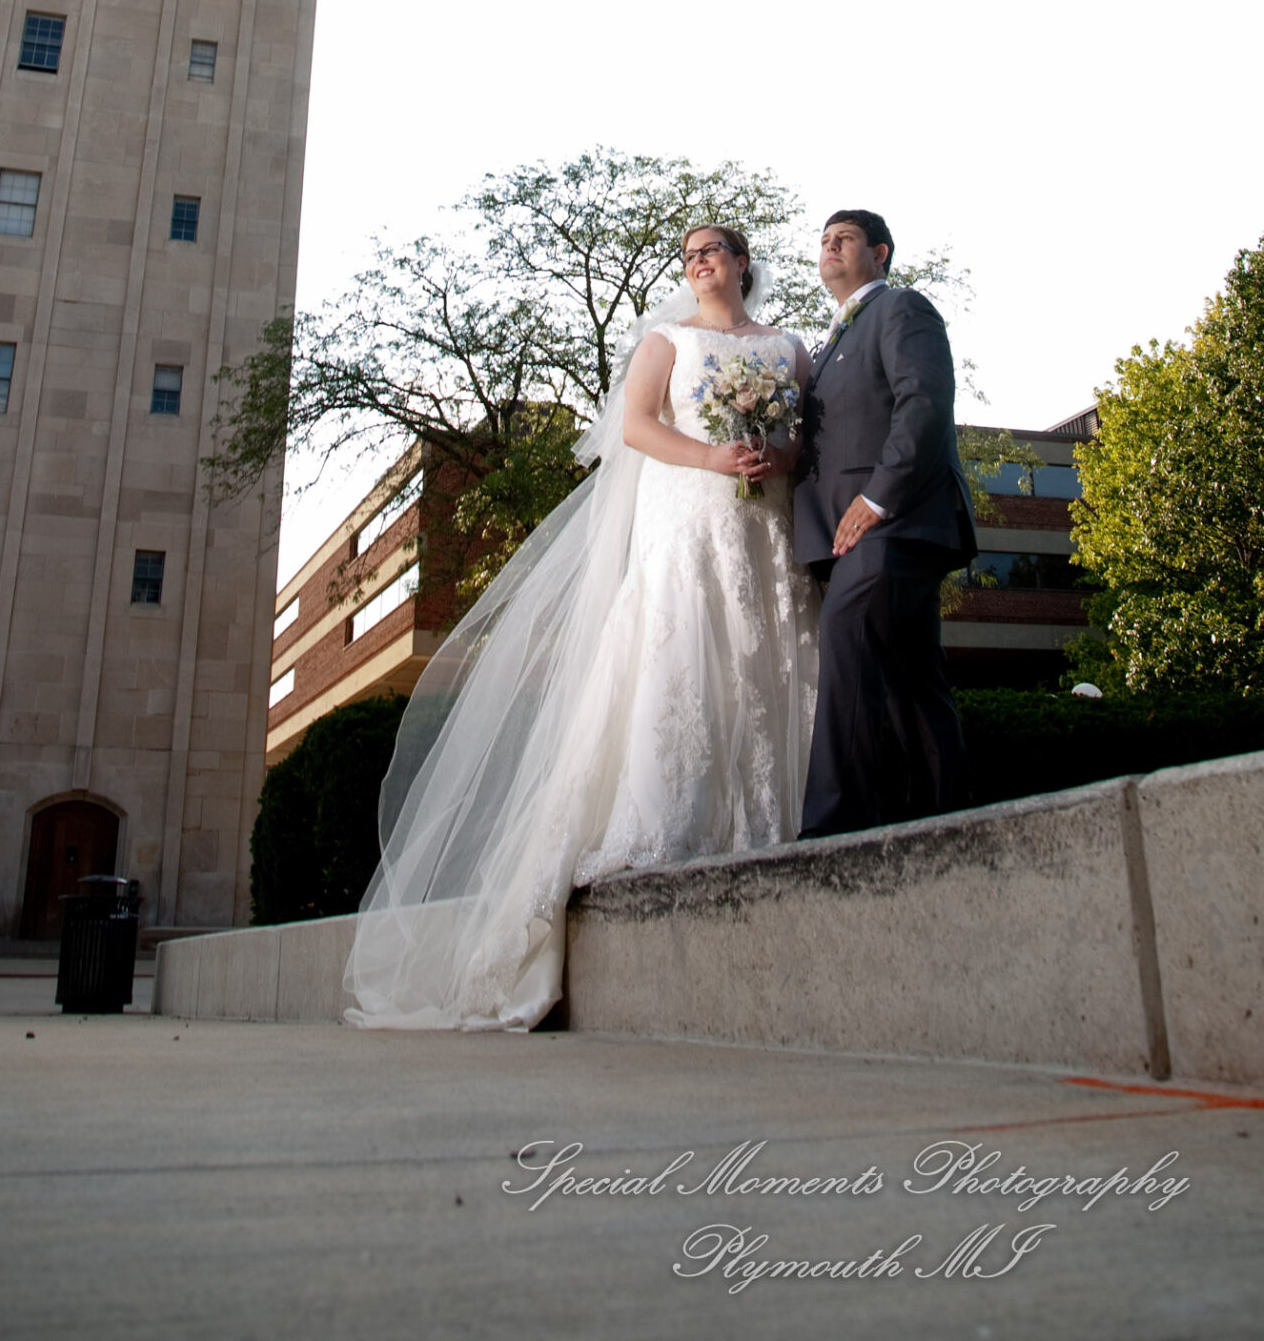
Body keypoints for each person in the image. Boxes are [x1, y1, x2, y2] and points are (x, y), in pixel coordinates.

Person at [343, 225, 819, 1029]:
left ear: (742, 263)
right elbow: (635, 427)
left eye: (713, 250)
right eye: (689, 255)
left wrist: (782, 458)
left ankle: (783, 817)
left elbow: (808, 437)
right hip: (691, 518)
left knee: (764, 655)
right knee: (682, 659)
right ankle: (669, 820)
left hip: (763, 525)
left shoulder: (791, 348)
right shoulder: (666, 341)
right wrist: (711, 461)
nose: (699, 262)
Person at [796, 209, 974, 837]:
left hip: (892, 523)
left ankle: (830, 830)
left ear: (881, 252)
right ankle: (948, 823)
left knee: (847, 648)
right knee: (911, 680)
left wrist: (876, 499)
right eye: (822, 242)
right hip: (851, 535)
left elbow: (923, 404)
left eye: (842, 239)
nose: (829, 249)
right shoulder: (828, 344)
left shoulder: (902, 309)